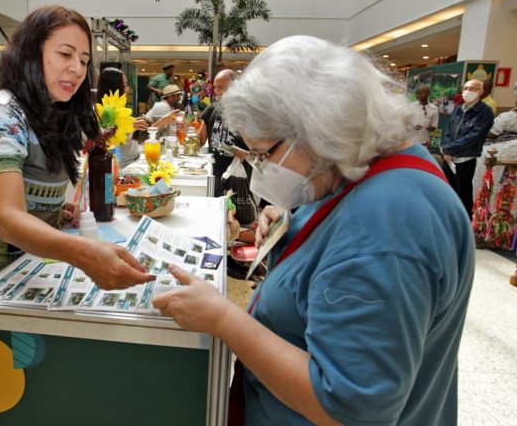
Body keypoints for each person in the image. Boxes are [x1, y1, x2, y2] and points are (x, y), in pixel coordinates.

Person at [153, 35, 474, 425]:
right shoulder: (371, 169)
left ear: (319, 129)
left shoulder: (383, 227)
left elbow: (348, 407)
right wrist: (295, 226)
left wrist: (223, 319)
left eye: (265, 153)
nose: (261, 169)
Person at [0, 6, 154, 295]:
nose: (77, 68)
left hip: (21, 275)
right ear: (30, 53)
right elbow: (8, 221)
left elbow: (22, 192)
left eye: (83, 60)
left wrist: (51, 210)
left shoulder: (52, 113)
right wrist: (86, 254)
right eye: (65, 54)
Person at [441, 79, 494, 218]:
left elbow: (474, 136)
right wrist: (446, 149)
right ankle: (448, 216)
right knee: (447, 189)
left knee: (463, 191)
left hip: (465, 157)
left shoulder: (484, 111)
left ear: (480, 92)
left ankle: (464, 220)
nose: (467, 91)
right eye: (465, 88)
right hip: (449, 157)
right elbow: (448, 130)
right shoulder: (459, 108)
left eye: (472, 89)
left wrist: (448, 148)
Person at [199, 69, 251, 197]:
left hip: (238, 176)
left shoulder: (248, 112)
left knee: (238, 214)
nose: (216, 91)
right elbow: (199, 141)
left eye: (220, 87)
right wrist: (186, 133)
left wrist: (247, 156)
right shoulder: (211, 109)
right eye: (215, 88)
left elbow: (261, 152)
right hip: (215, 175)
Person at [96, 67, 149, 169]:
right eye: (124, 85)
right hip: (122, 168)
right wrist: (130, 126)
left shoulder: (118, 106)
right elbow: (108, 142)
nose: (128, 89)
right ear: (113, 87)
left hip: (133, 162)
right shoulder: (102, 112)